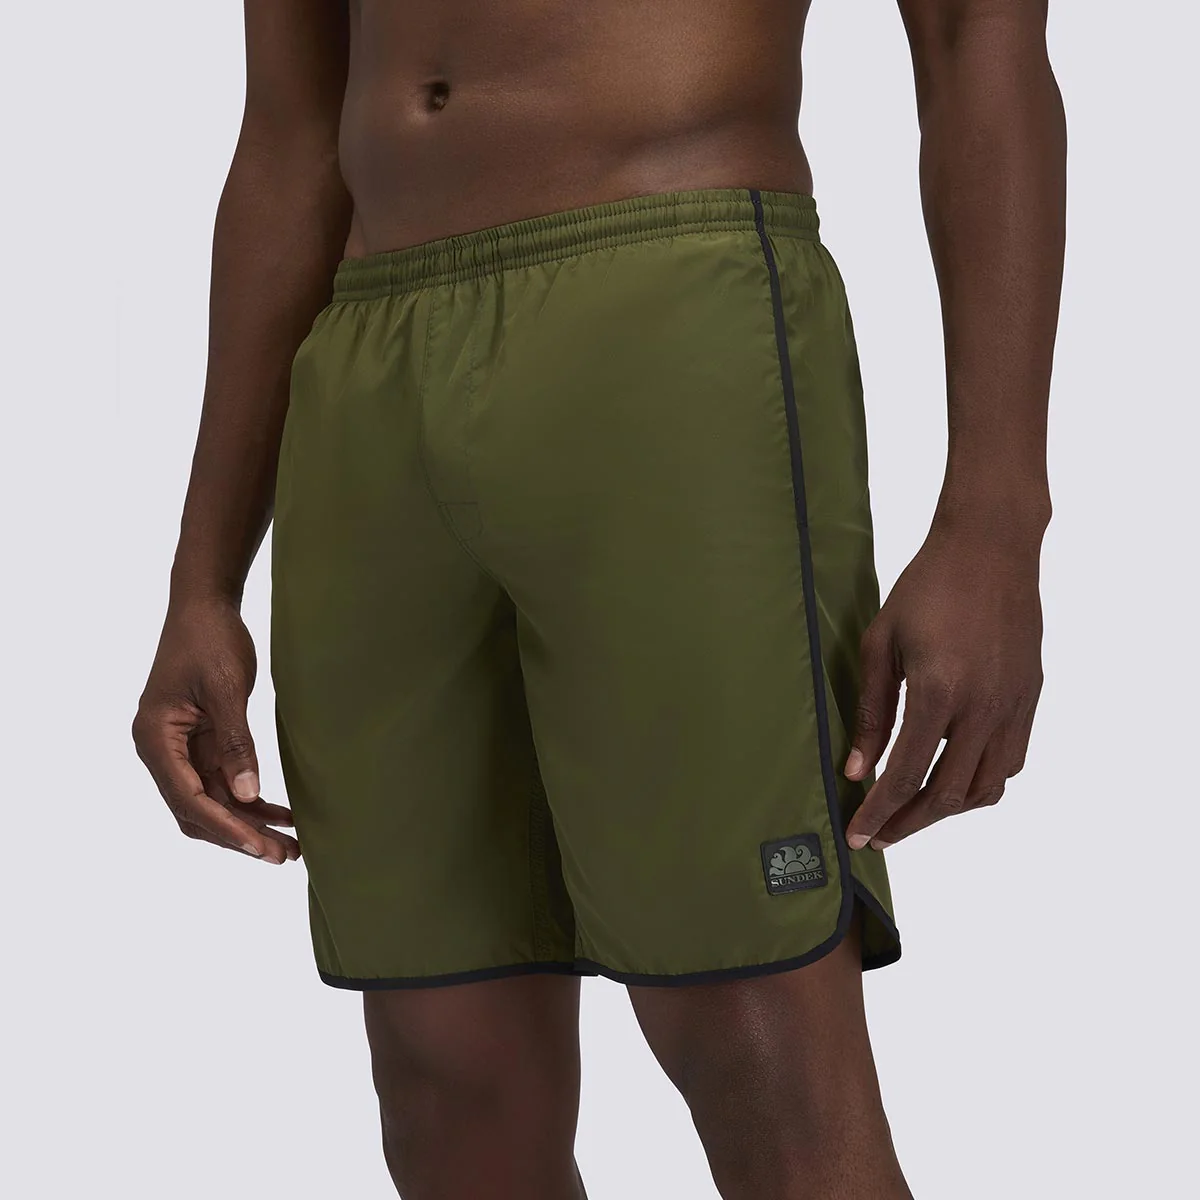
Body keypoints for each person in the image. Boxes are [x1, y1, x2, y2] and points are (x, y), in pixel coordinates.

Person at [132, 1, 1065, 1196]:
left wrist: (997, 519)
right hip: (365, 356)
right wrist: (202, 579)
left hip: (666, 294)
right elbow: (289, 132)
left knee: (754, 1037)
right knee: (445, 1083)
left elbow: (976, 39)